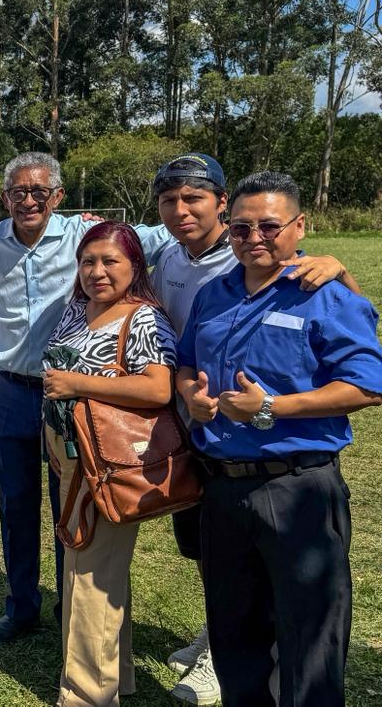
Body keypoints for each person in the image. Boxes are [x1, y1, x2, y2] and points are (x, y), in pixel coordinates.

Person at [149, 154, 359, 705]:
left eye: (270, 226)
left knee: (308, 640)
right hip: (221, 486)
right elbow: (188, 359)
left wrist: (273, 408)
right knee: (236, 634)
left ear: (299, 228)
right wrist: (191, 390)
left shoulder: (324, 292)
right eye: (242, 228)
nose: (254, 238)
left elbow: (367, 384)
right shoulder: (214, 293)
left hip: (297, 488)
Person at [0, 152, 177, 645]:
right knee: (15, 503)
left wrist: (296, 256)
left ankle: (71, 607)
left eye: (40, 191)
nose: (28, 200)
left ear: (58, 196)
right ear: (5, 198)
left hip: (75, 399)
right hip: (12, 391)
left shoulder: (88, 235)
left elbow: (172, 233)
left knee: (74, 501)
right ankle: (21, 607)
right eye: (18, 192)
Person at [41, 221, 178, 706]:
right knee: (87, 571)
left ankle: (86, 696)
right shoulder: (78, 310)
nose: (97, 272)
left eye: (110, 262)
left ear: (135, 266)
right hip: (74, 458)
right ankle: (114, 679)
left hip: (111, 463)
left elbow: (158, 388)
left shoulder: (142, 318)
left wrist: (80, 386)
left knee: (92, 579)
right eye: (87, 262)